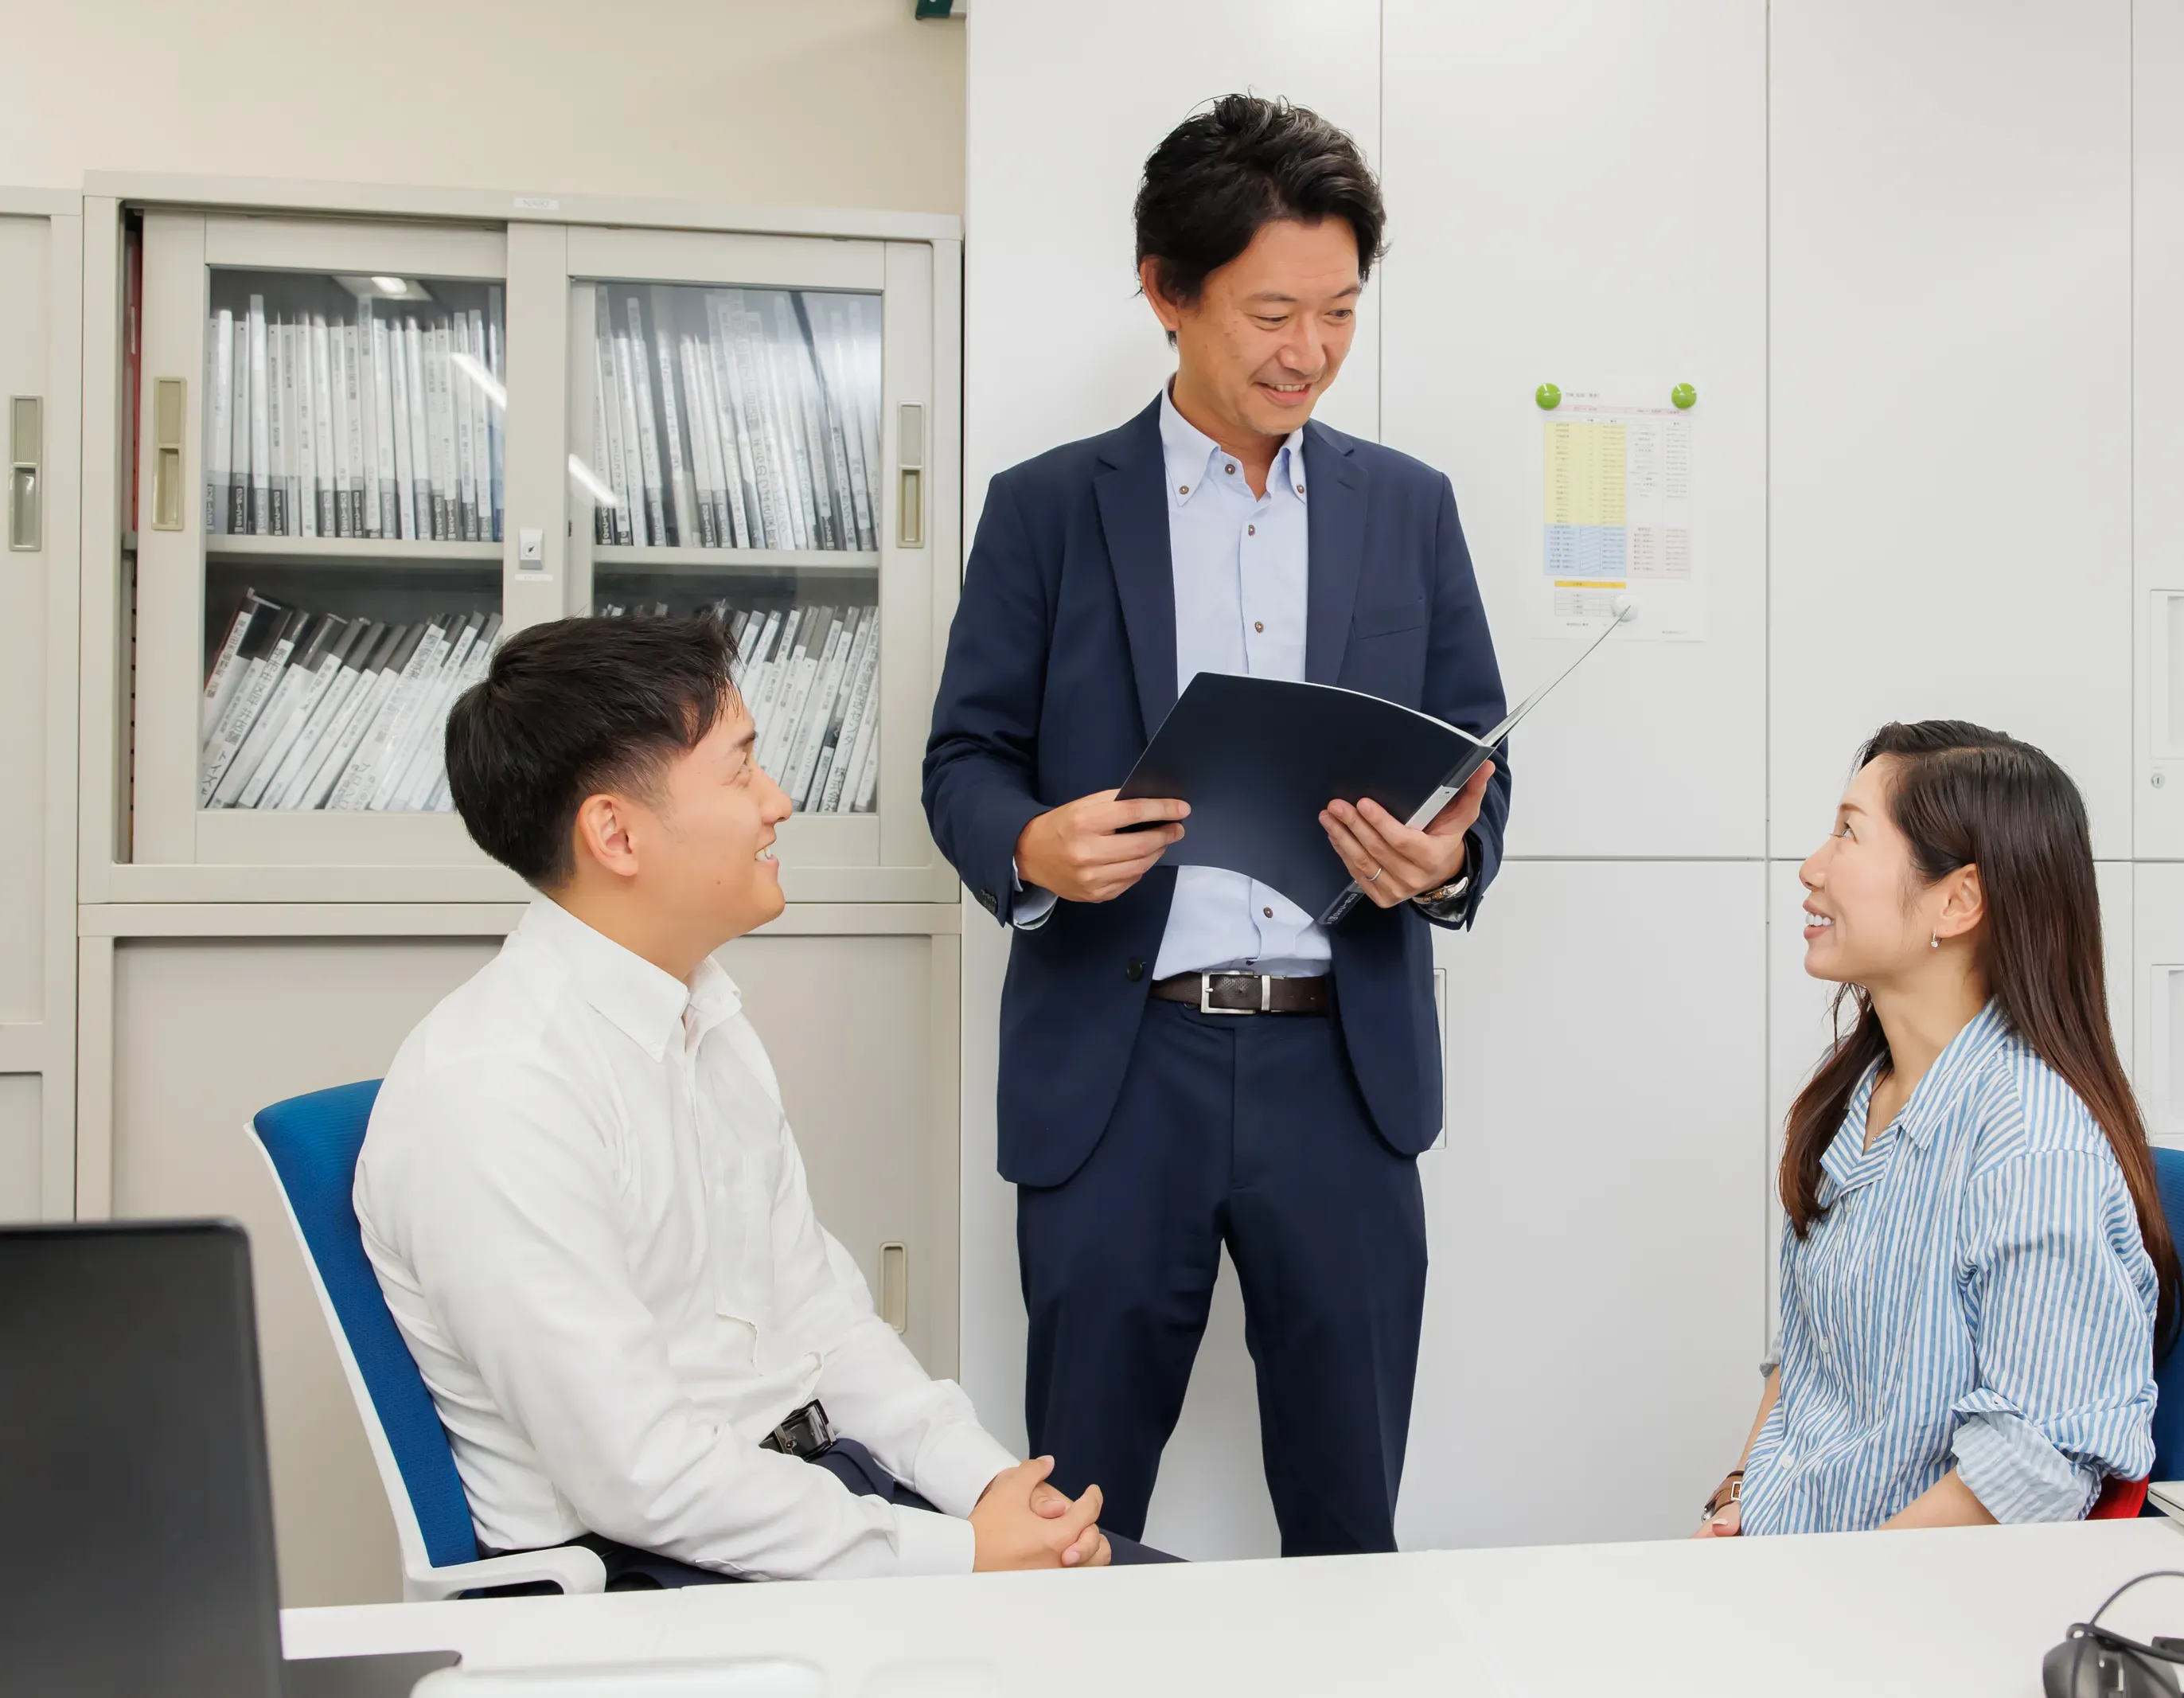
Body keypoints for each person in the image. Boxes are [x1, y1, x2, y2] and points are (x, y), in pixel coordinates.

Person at [922, 95, 1513, 1556]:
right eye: (1269, 313)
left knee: (1348, 1520)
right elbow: (964, 758)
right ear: (1165, 292)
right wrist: (1031, 848)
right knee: (1073, 1521)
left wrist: (1445, 858)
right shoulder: (1046, 509)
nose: (1307, 351)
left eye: (1338, 311)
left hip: (1343, 1071)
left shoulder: (1408, 509)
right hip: (1120, 1071)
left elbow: (1477, 759)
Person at [356, 614, 1161, 1584]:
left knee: (1192, 1608)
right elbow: (644, 1479)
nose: (776, 802)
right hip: (648, 1577)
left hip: (810, 1505)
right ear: (615, 833)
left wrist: (991, 1491)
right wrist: (961, 1554)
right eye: (740, 771)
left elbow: (826, 1326)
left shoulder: (704, 1017)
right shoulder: (494, 1092)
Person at [1695, 720, 2179, 1538]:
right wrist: (1734, 1502)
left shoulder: (2032, 1144)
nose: (1812, 868)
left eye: (1848, 834)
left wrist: (1808, 1588)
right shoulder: (1856, 1099)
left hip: (1900, 1597)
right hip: (1787, 1564)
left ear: (1957, 901)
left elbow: (2030, 1467)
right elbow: (1806, 1365)